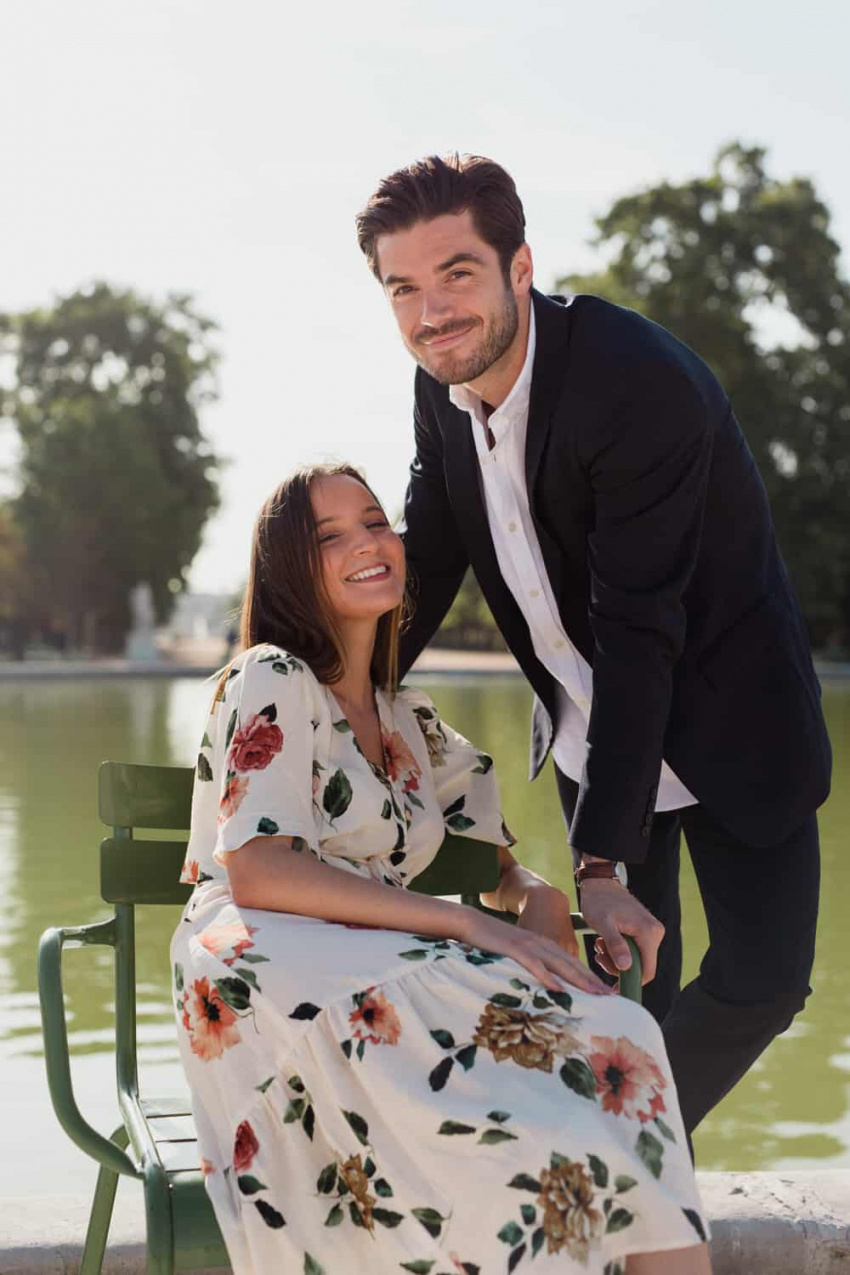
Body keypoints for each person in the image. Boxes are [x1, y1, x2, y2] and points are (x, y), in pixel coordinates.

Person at [355, 153, 832, 1138]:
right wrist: (343, 693)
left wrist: (600, 867)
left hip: (729, 718)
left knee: (760, 982)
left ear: (518, 266)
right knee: (623, 1013)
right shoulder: (438, 380)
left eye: (456, 274)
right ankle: (620, 1183)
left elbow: (638, 627)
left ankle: (612, 1164)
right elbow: (431, 555)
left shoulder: (635, 382)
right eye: (403, 287)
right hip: (590, 735)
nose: (431, 312)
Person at [171, 463, 711, 1275]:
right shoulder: (272, 675)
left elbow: (496, 866)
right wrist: (467, 921)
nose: (367, 542)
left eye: (376, 521)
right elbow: (258, 870)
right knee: (523, 1105)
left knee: (622, 1035)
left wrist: (536, 893)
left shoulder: (407, 719)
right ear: (289, 565)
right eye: (330, 536)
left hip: (382, 960)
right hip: (270, 962)